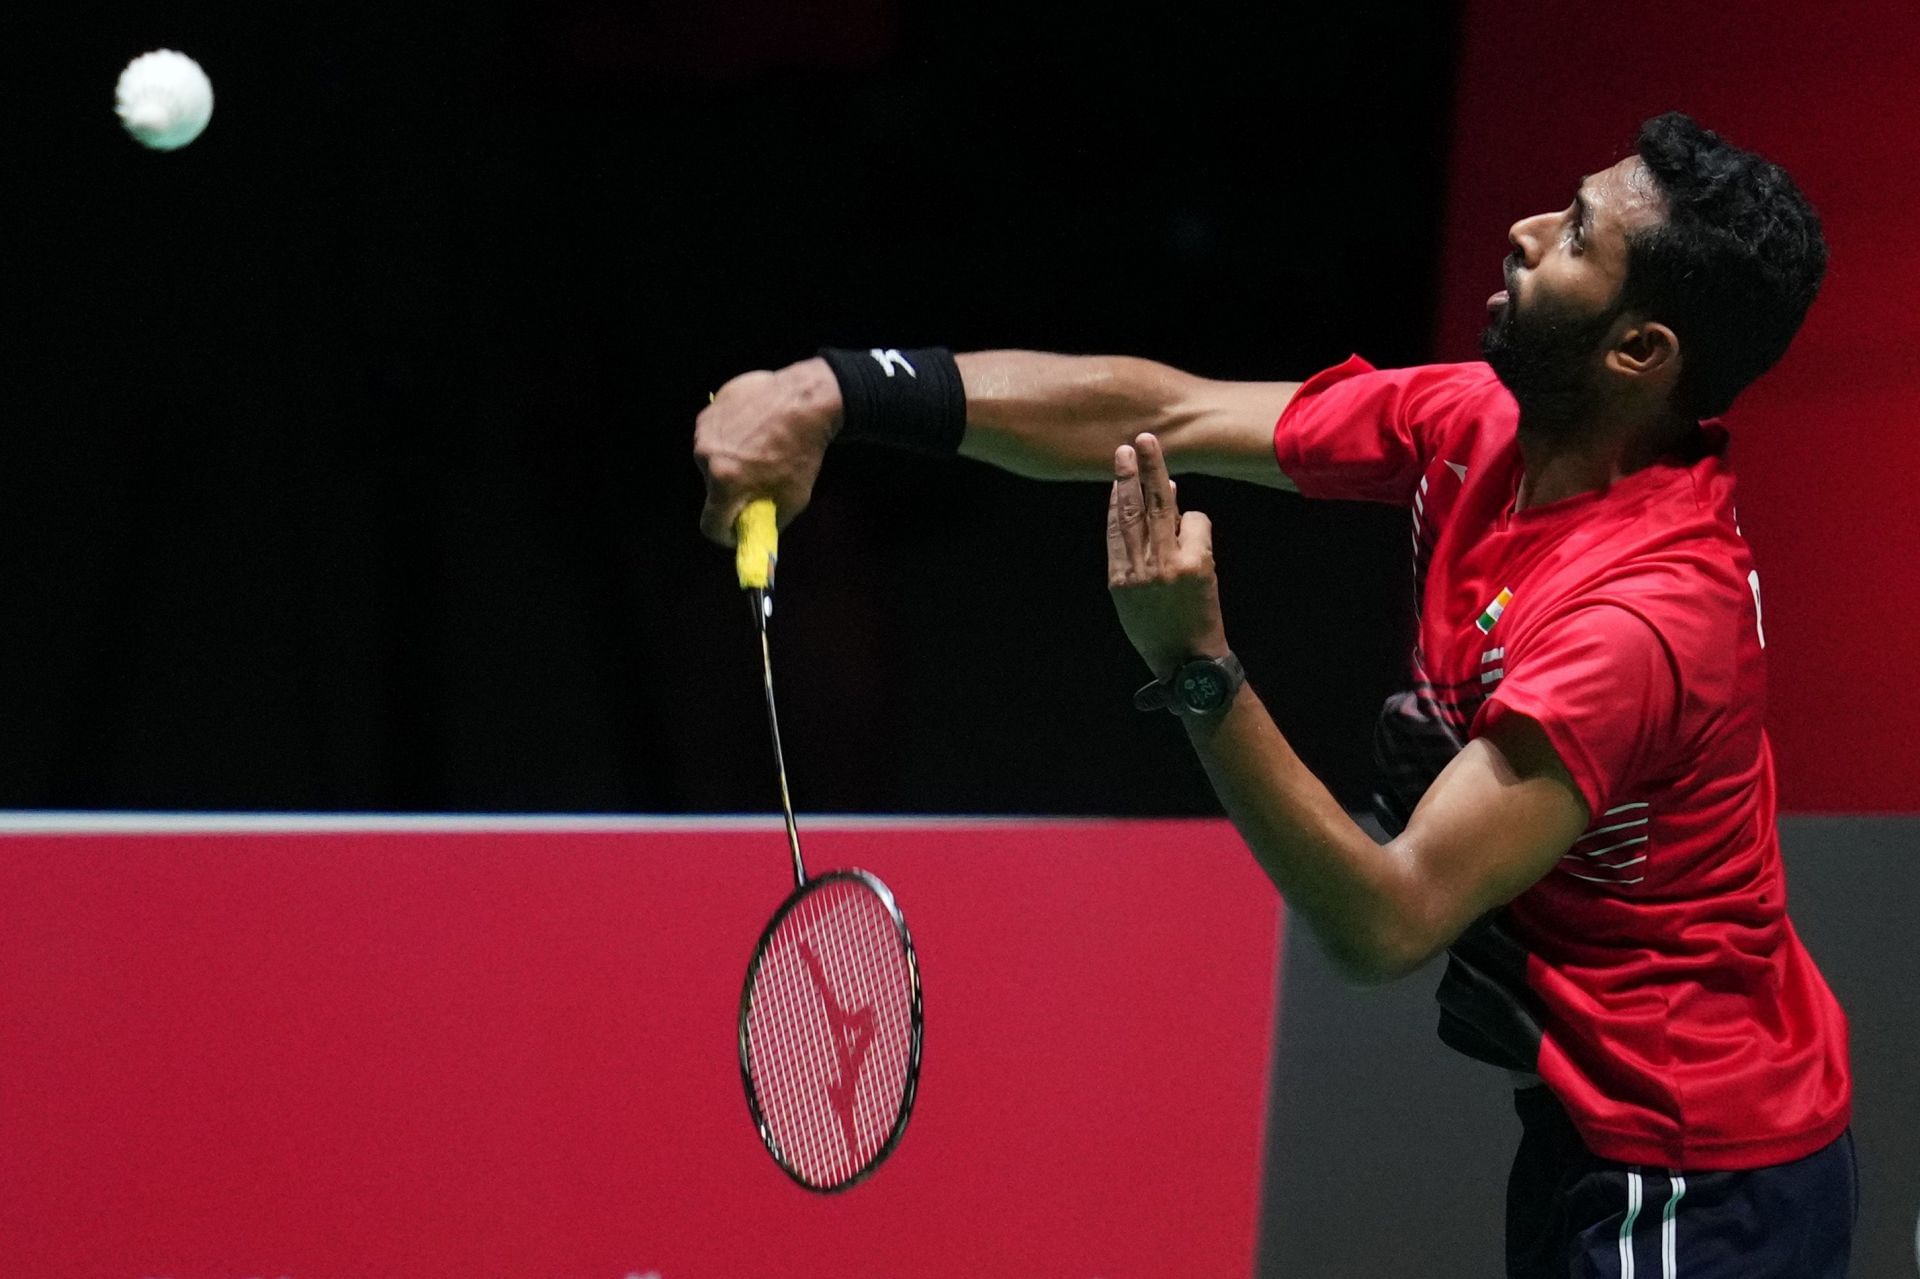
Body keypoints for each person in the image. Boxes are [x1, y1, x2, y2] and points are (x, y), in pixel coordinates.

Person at [694, 112, 1853, 1277]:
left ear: (1639, 351)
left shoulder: (1638, 620)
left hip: (1694, 1168)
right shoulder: (1488, 425)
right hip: (1590, 1126)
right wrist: (835, 392)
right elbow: (1171, 412)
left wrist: (1194, 665)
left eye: (1577, 236)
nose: (1526, 229)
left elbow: (1387, 921)